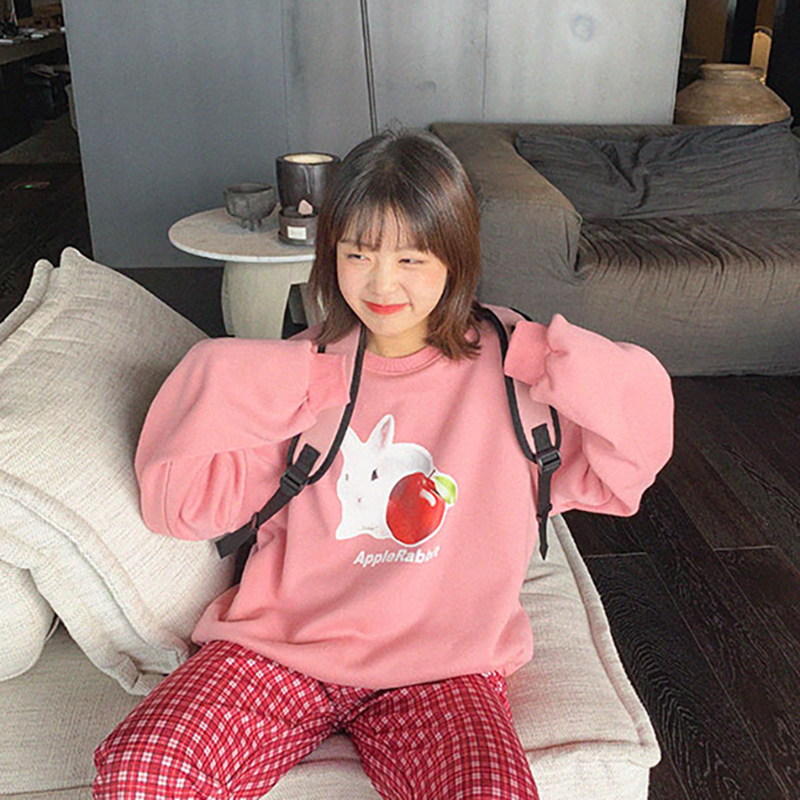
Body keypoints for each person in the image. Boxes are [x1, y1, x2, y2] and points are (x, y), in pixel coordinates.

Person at [93, 129, 674, 800]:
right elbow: (179, 505)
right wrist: (243, 371)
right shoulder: (301, 378)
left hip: (443, 670)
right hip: (279, 652)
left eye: (410, 258)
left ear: (456, 257)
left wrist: (547, 355)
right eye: (358, 254)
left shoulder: (518, 380)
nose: (381, 283)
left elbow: (634, 458)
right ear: (330, 255)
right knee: (139, 773)